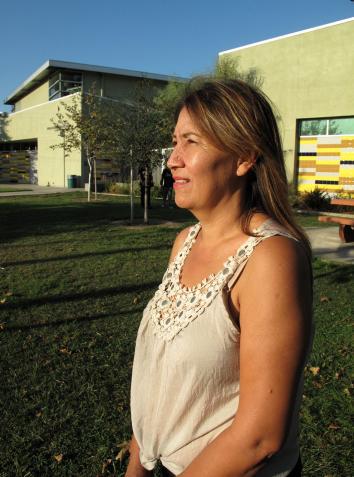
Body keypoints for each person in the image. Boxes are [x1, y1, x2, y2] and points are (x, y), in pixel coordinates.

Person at [126, 78, 313, 477]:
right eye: (175, 141)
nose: (172, 159)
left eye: (191, 142)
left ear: (244, 157)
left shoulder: (269, 258)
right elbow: (157, 377)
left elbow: (259, 437)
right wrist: (136, 464)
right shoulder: (184, 242)